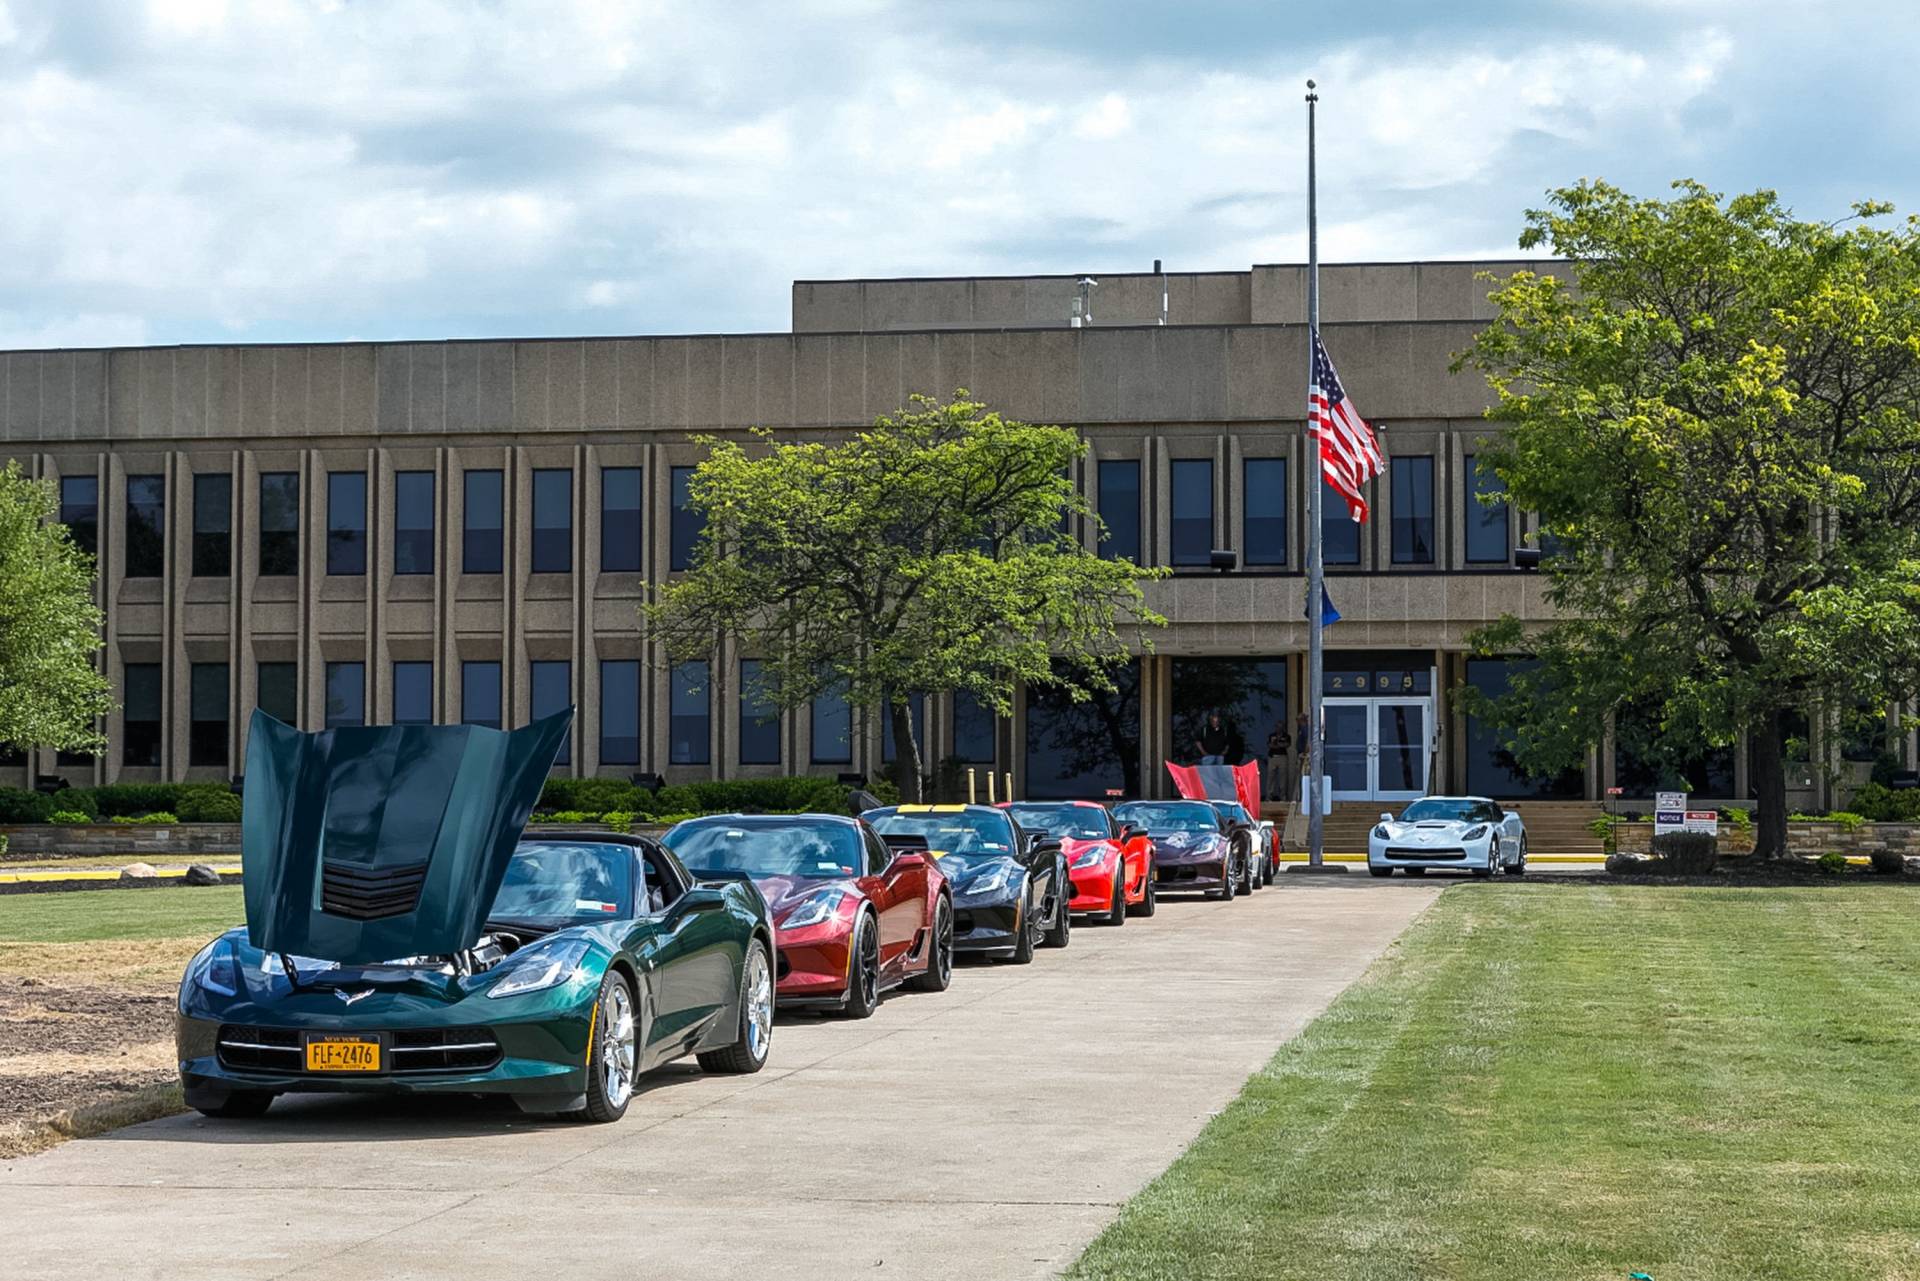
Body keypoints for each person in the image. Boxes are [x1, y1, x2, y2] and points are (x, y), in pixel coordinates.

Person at [1265, 720, 1292, 802]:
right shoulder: (1272, 735)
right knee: (1270, 777)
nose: (1278, 728)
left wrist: (1278, 744)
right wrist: (1278, 744)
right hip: (1272, 757)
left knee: (1282, 778)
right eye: (1277, 726)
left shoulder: (1286, 736)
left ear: (1283, 727)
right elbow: (1270, 745)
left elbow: (1286, 745)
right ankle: (1269, 797)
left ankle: (1282, 797)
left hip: (1282, 757)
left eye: (1280, 727)